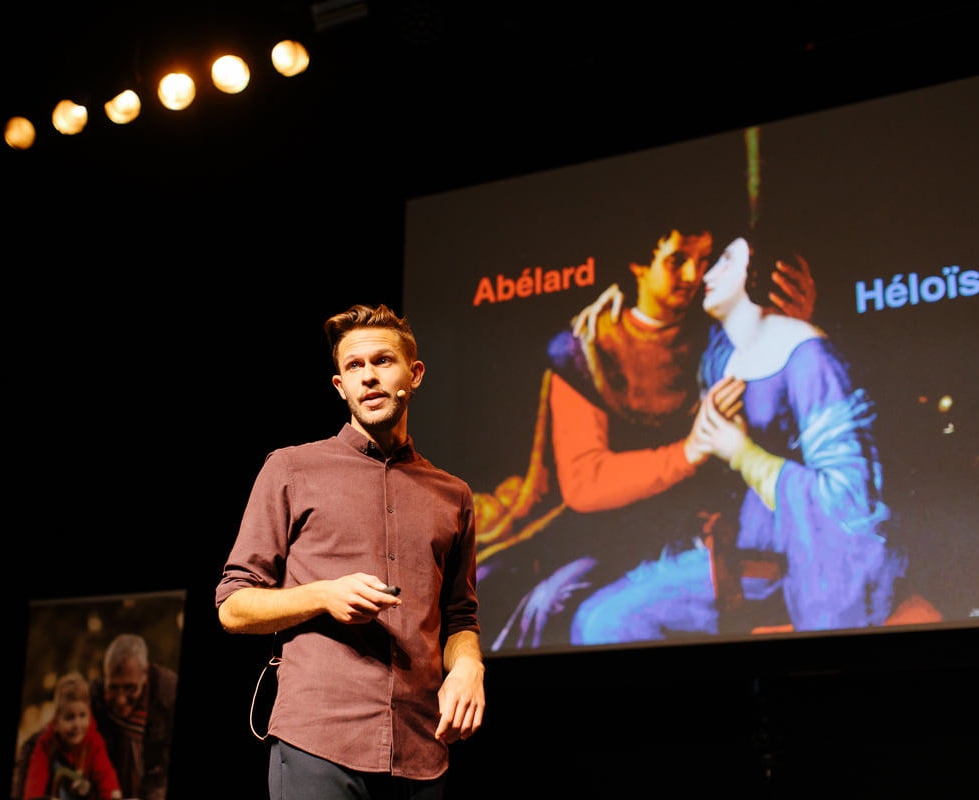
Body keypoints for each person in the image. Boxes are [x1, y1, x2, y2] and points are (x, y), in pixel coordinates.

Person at [493, 229, 814, 648]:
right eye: (677, 260)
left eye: (704, 261)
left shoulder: (715, 327)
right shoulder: (587, 344)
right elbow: (585, 483)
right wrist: (688, 452)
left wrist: (789, 327)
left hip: (698, 529)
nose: (694, 275)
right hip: (607, 531)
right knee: (545, 603)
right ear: (638, 264)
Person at [570, 236, 902, 641]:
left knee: (606, 622)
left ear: (764, 276)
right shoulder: (720, 353)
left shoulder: (809, 358)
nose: (705, 274)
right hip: (726, 545)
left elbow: (848, 500)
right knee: (596, 617)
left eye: (724, 261)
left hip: (786, 562)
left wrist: (743, 454)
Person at [216, 303, 484, 800]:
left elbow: (460, 617)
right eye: (354, 367)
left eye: (383, 361)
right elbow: (233, 606)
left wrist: (468, 665)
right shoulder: (292, 469)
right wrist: (322, 595)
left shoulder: (453, 495)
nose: (369, 377)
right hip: (319, 739)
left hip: (421, 749)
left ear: (415, 373)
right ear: (340, 386)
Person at [89, 634, 177, 800]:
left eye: (130, 688)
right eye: (113, 688)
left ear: (145, 674)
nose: (121, 700)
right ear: (105, 677)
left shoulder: (170, 697)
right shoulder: (93, 699)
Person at [23, 673, 122, 800]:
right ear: (56, 722)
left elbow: (106, 777)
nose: (77, 724)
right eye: (70, 717)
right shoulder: (45, 745)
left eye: (82, 715)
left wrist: (112, 794)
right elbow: (34, 785)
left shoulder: (94, 743)